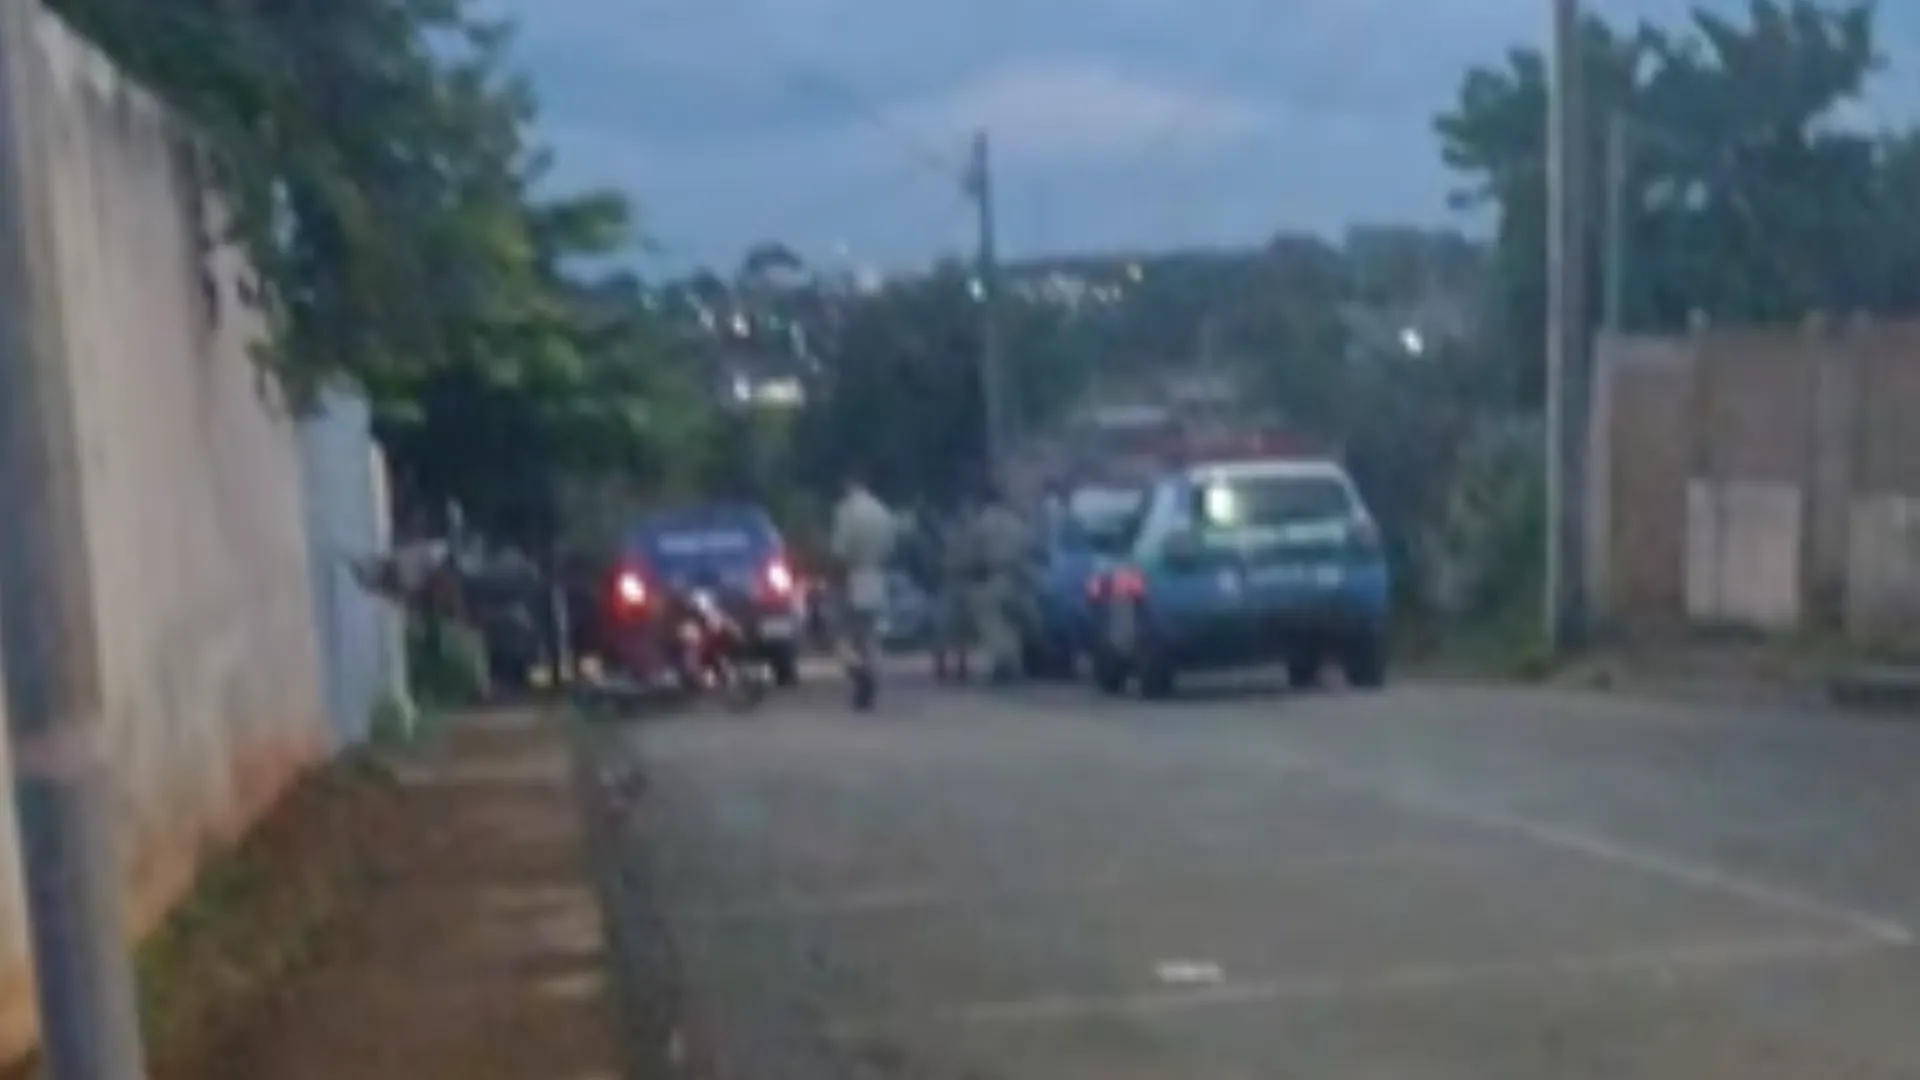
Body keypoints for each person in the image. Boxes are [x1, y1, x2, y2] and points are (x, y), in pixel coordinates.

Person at [829, 467, 899, 709]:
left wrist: (834, 579)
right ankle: (872, 677)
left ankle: (858, 672)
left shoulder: (846, 511)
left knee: (841, 636)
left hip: (852, 577)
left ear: (849, 482)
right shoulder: (882, 511)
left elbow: (840, 551)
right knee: (870, 638)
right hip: (877, 577)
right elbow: (891, 547)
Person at [968, 480, 1033, 684]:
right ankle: (1014, 663)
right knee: (1011, 623)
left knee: (991, 622)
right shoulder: (1015, 521)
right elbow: (1027, 547)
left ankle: (1002, 664)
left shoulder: (985, 520)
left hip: (993, 574)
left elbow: (977, 548)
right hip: (1015, 576)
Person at [931, 497, 977, 682]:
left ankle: (958, 665)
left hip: (960, 581)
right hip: (953, 580)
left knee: (957, 627)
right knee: (947, 626)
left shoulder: (957, 533)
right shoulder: (952, 532)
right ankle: (944, 665)